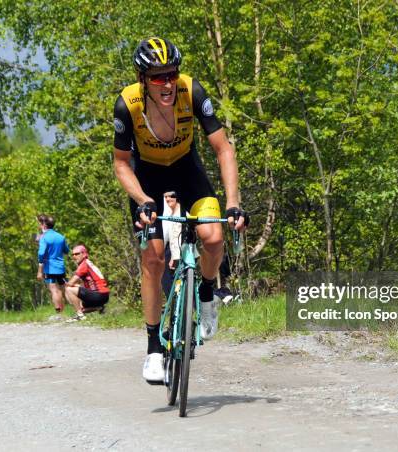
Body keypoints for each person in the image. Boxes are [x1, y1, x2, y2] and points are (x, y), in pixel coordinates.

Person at [113, 37, 248, 383]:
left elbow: (223, 150)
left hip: (187, 169)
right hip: (147, 178)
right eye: (158, 77)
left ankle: (205, 295)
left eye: (172, 74)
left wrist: (233, 202)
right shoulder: (127, 104)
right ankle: (153, 350)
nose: (168, 83)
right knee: (154, 258)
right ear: (143, 78)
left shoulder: (192, 91)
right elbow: (121, 164)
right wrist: (142, 199)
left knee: (214, 236)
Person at [65, 244, 110, 322]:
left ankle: (80, 315)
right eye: (73, 254)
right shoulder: (88, 263)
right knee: (80, 306)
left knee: (69, 289)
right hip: (104, 295)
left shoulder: (84, 264)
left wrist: (69, 284)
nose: (74, 256)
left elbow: (70, 283)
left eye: (77, 254)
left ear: (84, 254)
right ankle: (99, 308)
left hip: (98, 294)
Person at [36, 214, 69, 313]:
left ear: (45, 225)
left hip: (49, 268)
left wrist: (40, 269)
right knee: (62, 290)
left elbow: (41, 253)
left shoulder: (44, 237)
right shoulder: (60, 237)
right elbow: (66, 251)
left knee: (54, 290)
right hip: (60, 267)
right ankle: (70, 310)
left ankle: (58, 312)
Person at [161, 191, 182, 299]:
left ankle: (178, 304)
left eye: (171, 196)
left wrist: (174, 256)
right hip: (169, 249)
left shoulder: (181, 212)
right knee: (168, 280)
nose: (168, 199)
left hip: (179, 251)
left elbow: (178, 236)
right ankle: (176, 305)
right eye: (166, 197)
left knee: (170, 280)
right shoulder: (170, 212)